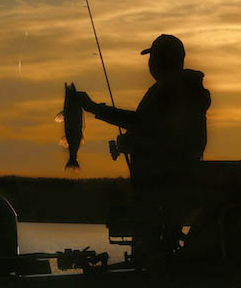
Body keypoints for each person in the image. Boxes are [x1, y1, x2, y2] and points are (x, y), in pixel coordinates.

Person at [76, 34, 211, 265]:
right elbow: (153, 129)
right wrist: (131, 143)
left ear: (162, 61)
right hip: (156, 184)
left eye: (154, 59)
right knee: (152, 245)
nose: (150, 65)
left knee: (155, 248)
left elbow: (145, 124)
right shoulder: (170, 91)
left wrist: (93, 108)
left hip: (164, 186)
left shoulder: (176, 93)